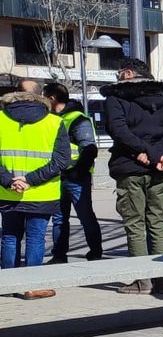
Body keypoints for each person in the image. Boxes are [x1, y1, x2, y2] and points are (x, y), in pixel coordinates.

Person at [102, 57, 163, 295]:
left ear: (128, 73)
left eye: (119, 72)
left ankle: (141, 280)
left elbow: (118, 130)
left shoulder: (116, 98)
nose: (117, 77)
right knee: (159, 222)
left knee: (135, 224)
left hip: (129, 167)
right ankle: (162, 280)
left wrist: (145, 153)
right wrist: (157, 154)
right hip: (160, 168)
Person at [0, 85, 70, 298]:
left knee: (10, 236)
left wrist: (9, 181)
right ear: (40, 97)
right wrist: (30, 181)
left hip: (7, 192)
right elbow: (62, 160)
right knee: (36, 237)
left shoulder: (1, 119)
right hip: (42, 193)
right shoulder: (54, 122)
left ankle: (7, 284)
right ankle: (33, 285)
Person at [42, 84, 101, 263]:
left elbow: (89, 148)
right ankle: (59, 255)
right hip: (57, 176)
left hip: (76, 178)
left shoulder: (77, 119)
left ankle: (95, 253)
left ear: (52, 98)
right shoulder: (51, 119)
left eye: (44, 96)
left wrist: (78, 172)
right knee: (59, 219)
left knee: (85, 217)